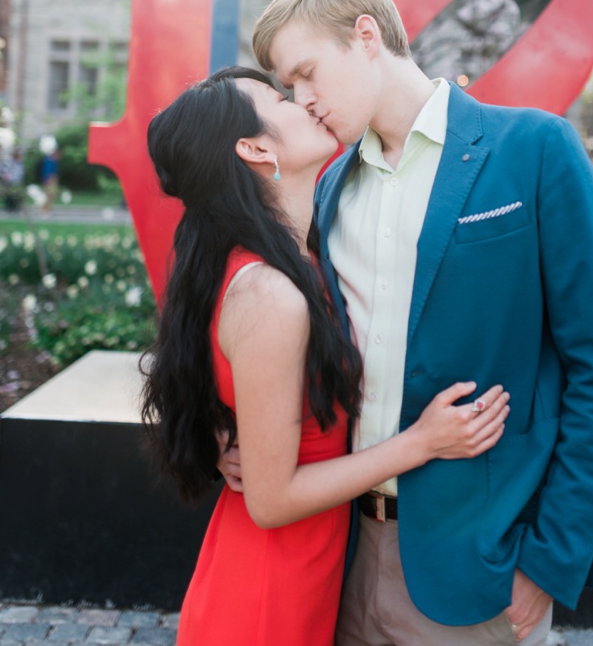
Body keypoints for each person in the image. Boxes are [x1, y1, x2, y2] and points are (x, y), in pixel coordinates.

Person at [237, 0, 593, 646]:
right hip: (342, 555)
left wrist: (548, 559)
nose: (301, 99)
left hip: (478, 570)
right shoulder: (330, 185)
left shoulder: (535, 150)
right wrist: (243, 440)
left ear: (366, 35)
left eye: (307, 72)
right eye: (288, 86)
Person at [142, 66, 511, 646]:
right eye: (280, 98)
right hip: (267, 600)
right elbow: (270, 501)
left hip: (308, 578)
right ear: (256, 148)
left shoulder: (294, 261)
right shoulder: (271, 293)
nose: (305, 103)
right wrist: (424, 442)